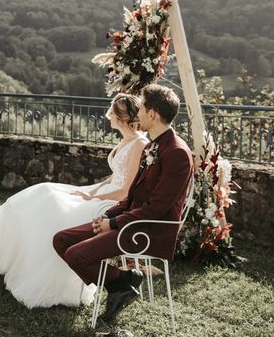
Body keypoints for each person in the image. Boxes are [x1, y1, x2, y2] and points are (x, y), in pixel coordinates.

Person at [0, 94, 148, 308]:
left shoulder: (139, 143)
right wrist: (91, 189)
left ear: (122, 117)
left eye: (112, 111)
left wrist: (92, 196)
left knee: (54, 206)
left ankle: (49, 280)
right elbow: (115, 177)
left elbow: (125, 190)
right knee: (45, 191)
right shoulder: (126, 140)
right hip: (103, 192)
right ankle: (16, 259)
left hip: (112, 203)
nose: (108, 114)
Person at [53, 84, 193, 323]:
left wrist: (115, 223)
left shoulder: (176, 152)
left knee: (76, 255)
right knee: (61, 240)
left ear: (152, 114)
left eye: (142, 107)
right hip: (132, 220)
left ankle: (121, 284)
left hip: (149, 229)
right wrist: (108, 216)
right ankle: (124, 282)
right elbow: (133, 195)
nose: (138, 113)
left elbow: (156, 208)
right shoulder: (152, 145)